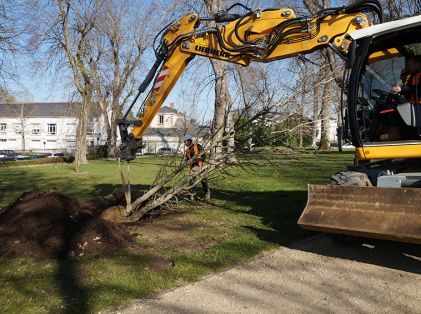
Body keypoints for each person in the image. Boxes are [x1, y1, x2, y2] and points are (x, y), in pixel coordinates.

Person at [183, 134, 210, 201]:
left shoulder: (197, 146)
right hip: (193, 168)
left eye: (185, 141)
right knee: (191, 181)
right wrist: (186, 162)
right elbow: (187, 159)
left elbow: (203, 155)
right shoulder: (187, 150)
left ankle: (207, 196)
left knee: (204, 181)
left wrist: (198, 158)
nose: (184, 143)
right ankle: (192, 196)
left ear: (189, 141)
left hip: (201, 166)